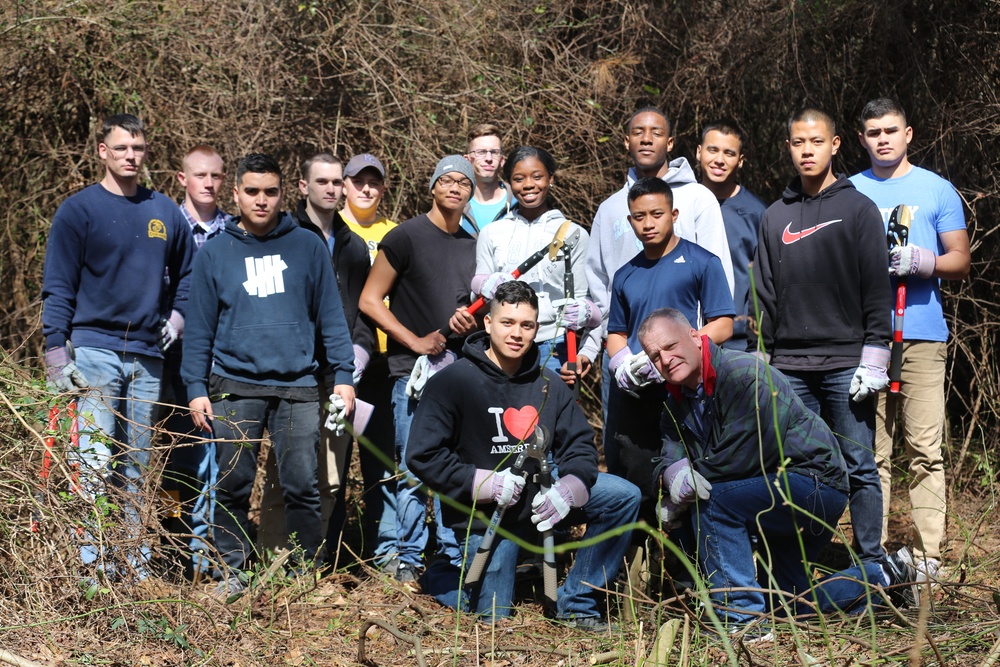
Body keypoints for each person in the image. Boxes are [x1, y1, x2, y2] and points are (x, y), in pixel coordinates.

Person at [637, 308, 916, 639]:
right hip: (768, 494)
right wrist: (673, 474)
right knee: (788, 605)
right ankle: (886, 576)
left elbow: (742, 456)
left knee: (714, 503)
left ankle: (743, 621)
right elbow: (667, 453)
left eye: (670, 346)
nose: (665, 359)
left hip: (813, 484)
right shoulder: (675, 402)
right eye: (655, 356)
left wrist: (686, 490)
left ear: (697, 338)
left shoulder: (743, 375)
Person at [408, 281, 640, 630]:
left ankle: (576, 604)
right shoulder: (451, 381)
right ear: (488, 323)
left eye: (527, 325)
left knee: (623, 497)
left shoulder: (549, 382)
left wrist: (571, 488)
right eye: (507, 322)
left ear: (537, 329)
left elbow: (579, 444)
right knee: (490, 619)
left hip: (540, 499)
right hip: (486, 513)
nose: (516, 333)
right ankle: (443, 576)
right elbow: (423, 456)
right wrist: (481, 483)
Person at [181, 153, 356, 599]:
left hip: (298, 386)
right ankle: (232, 575)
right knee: (232, 485)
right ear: (235, 193)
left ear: (283, 194)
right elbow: (198, 328)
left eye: (271, 192)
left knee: (302, 486)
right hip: (233, 387)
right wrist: (196, 388)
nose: (262, 201)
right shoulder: (216, 253)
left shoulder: (307, 246)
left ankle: (303, 577)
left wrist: (342, 373)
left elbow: (331, 317)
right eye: (253, 192)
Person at [42, 113, 194, 581]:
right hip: (93, 351)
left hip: (148, 355)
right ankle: (92, 568)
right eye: (123, 148)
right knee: (93, 461)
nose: (132, 156)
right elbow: (59, 283)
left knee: (138, 463)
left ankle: (134, 564)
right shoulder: (79, 210)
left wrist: (177, 317)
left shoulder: (165, 212)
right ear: (103, 151)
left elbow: (188, 276)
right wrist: (55, 352)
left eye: (140, 148)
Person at [754, 108, 893, 565]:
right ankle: (802, 558)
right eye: (798, 142)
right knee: (800, 467)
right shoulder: (775, 216)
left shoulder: (858, 209)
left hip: (846, 364)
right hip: (790, 368)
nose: (807, 150)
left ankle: (872, 562)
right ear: (789, 148)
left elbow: (875, 285)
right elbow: (766, 295)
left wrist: (876, 353)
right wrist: (770, 357)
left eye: (816, 141)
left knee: (858, 465)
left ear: (834, 145)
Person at [850, 98, 971, 579]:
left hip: (920, 334)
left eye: (891, 130)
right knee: (871, 452)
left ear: (908, 134)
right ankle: (873, 554)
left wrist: (926, 262)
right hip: (865, 340)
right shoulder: (849, 192)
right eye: (873, 131)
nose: (883, 138)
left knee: (924, 447)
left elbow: (960, 259)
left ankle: (928, 556)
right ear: (861, 139)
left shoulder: (936, 189)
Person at [358, 155, 479, 584]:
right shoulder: (405, 236)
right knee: (413, 468)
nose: (454, 188)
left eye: (463, 182)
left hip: (461, 373)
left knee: (456, 466)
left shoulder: (473, 242)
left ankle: (450, 556)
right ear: (431, 187)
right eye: (446, 180)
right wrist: (415, 341)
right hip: (413, 372)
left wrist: (471, 318)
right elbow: (370, 300)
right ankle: (408, 557)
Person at [257, 152, 375, 564]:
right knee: (284, 475)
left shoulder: (355, 247)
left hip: (339, 378)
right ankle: (272, 564)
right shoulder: (281, 237)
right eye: (322, 181)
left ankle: (311, 568)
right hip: (294, 378)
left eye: (337, 181)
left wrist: (358, 353)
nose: (332, 188)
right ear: (303, 187)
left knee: (328, 476)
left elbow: (364, 311)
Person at [587, 107, 735, 429]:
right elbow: (600, 284)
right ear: (626, 141)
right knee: (628, 458)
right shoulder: (610, 208)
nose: (646, 139)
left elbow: (720, 294)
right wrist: (620, 359)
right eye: (638, 132)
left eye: (655, 132)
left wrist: (684, 350)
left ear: (670, 142)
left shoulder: (698, 198)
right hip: (626, 356)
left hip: (685, 366)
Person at [605, 177, 734, 500]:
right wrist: (622, 364)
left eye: (657, 214)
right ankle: (641, 547)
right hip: (637, 393)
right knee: (637, 478)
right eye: (639, 217)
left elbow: (722, 325)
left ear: (674, 214)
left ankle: (689, 548)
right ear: (629, 220)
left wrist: (670, 355)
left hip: (685, 390)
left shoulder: (702, 262)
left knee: (689, 479)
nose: (648, 224)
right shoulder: (625, 275)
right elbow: (617, 333)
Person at [473, 146, 601, 386]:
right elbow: (478, 297)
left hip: (554, 349)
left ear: (551, 179)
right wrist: (481, 284)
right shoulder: (492, 232)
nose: (529, 185)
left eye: (537, 176)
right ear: (509, 182)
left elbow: (590, 304)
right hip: (501, 346)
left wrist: (584, 313)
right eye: (519, 179)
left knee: (549, 420)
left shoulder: (574, 234)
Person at [161, 144, 228, 575]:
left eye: (216, 176)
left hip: (220, 359)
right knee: (171, 457)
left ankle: (207, 554)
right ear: (183, 178)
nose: (207, 183)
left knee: (214, 458)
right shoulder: (164, 224)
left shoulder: (234, 231)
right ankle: (170, 545)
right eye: (199, 175)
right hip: (170, 358)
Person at [335, 152, 400, 569]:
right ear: (343, 184)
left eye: (374, 182)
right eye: (359, 181)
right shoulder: (329, 229)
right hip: (337, 365)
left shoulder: (395, 233)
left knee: (382, 460)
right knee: (330, 465)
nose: (366, 189)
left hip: (382, 363)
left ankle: (387, 549)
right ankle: (329, 547)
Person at [696, 120, 767, 351]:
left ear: (741, 160)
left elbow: (765, 282)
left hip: (740, 344)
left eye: (729, 153)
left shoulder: (757, 213)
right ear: (699, 152)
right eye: (712, 150)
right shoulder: (680, 205)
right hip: (685, 339)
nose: (719, 160)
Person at [460, 123, 513, 236]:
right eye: (481, 152)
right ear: (467, 160)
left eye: (494, 152)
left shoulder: (518, 203)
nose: (488, 158)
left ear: (502, 160)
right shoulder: (455, 204)